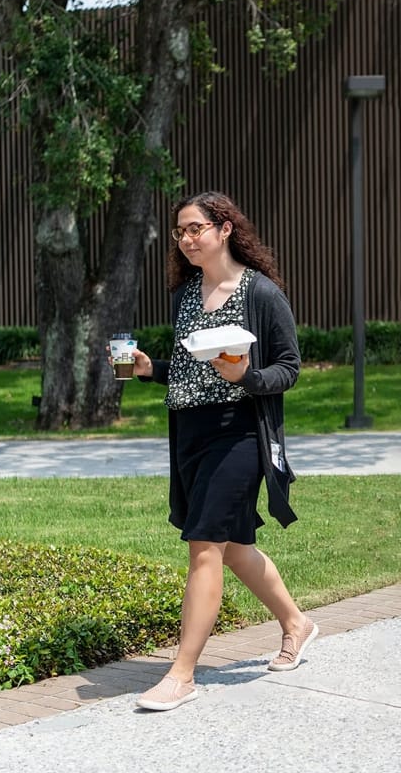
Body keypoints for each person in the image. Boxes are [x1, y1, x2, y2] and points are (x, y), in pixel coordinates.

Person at [121, 191, 317, 712]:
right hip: (190, 433)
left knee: (204, 545)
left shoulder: (261, 293)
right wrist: (150, 370)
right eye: (180, 232)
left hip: (238, 432)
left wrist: (247, 376)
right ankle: (297, 623)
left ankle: (182, 675)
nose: (186, 240)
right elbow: (189, 370)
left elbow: (289, 368)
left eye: (195, 229)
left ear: (224, 229)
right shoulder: (185, 294)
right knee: (232, 547)